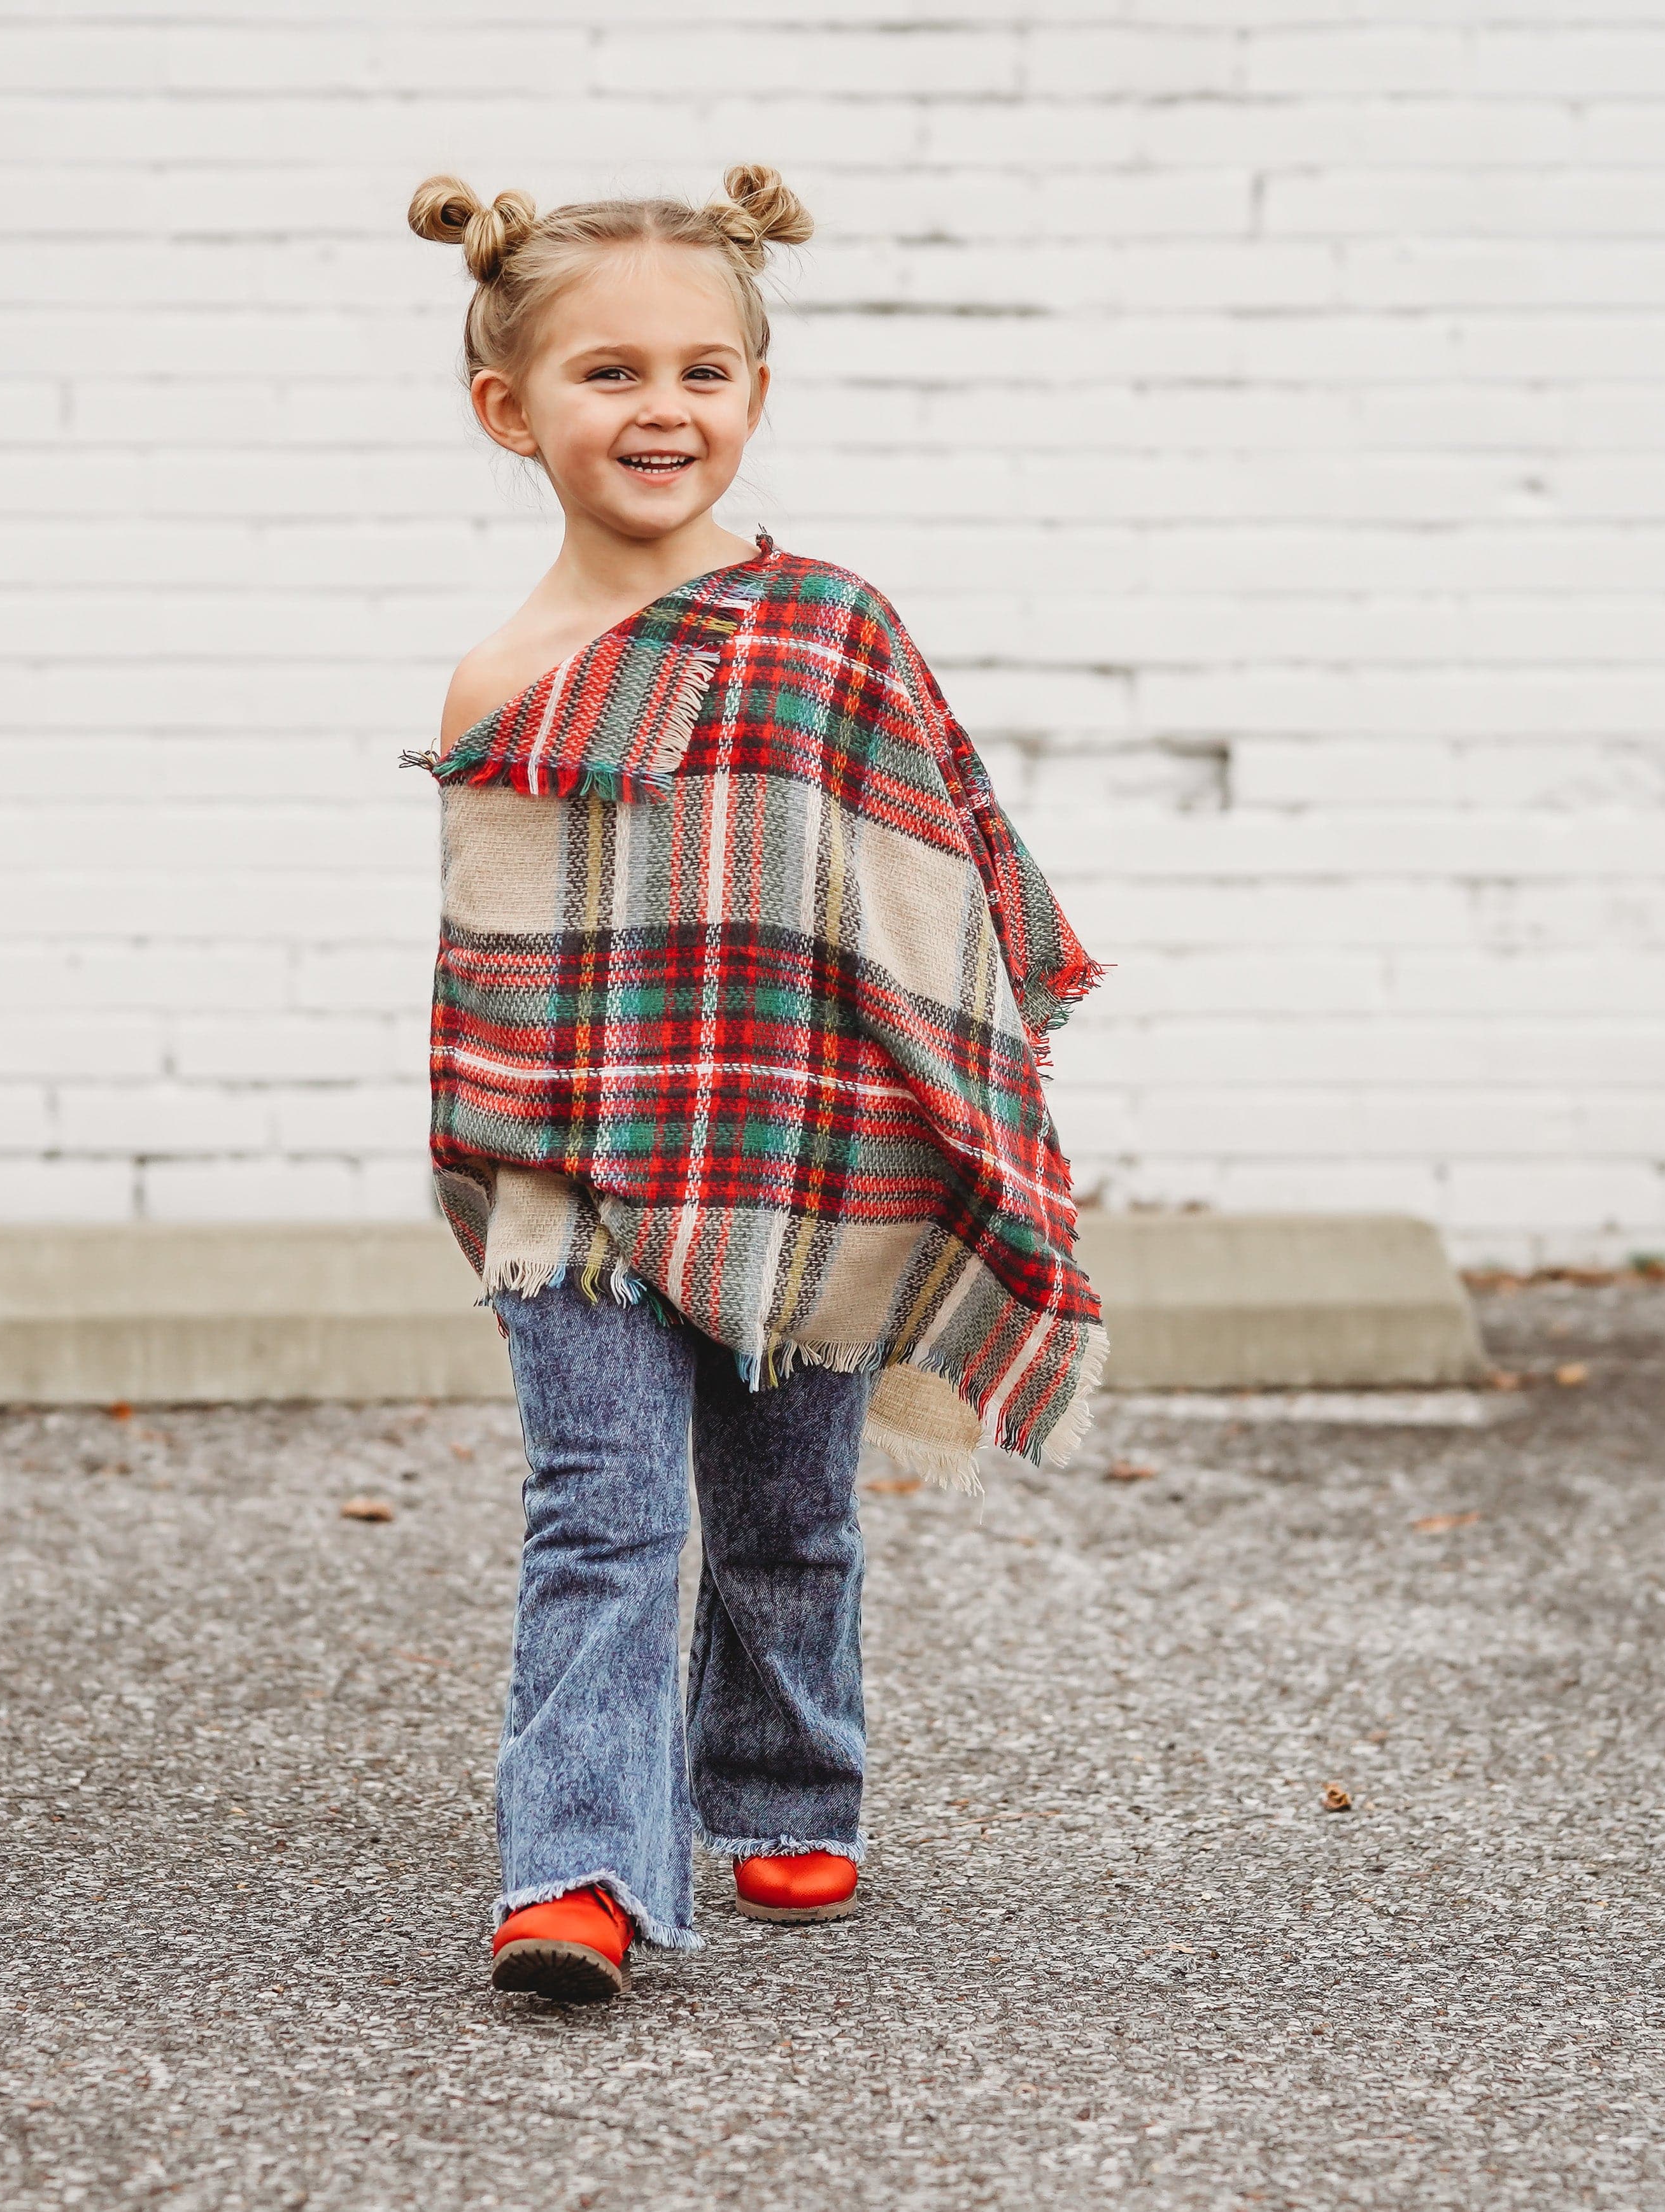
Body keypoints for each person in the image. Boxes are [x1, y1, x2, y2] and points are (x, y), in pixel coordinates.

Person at [406, 166, 1108, 2003]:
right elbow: (510, 951)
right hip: (580, 1172)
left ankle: (786, 1774)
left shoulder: (833, 629)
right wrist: (503, 1162)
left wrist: (956, 1104)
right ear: (510, 410)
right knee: (607, 1516)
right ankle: (575, 1870)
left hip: (801, 1160)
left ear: (755, 395)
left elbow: (930, 878)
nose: (661, 410)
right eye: (609, 373)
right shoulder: (503, 675)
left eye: (704, 372)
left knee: (791, 1514)